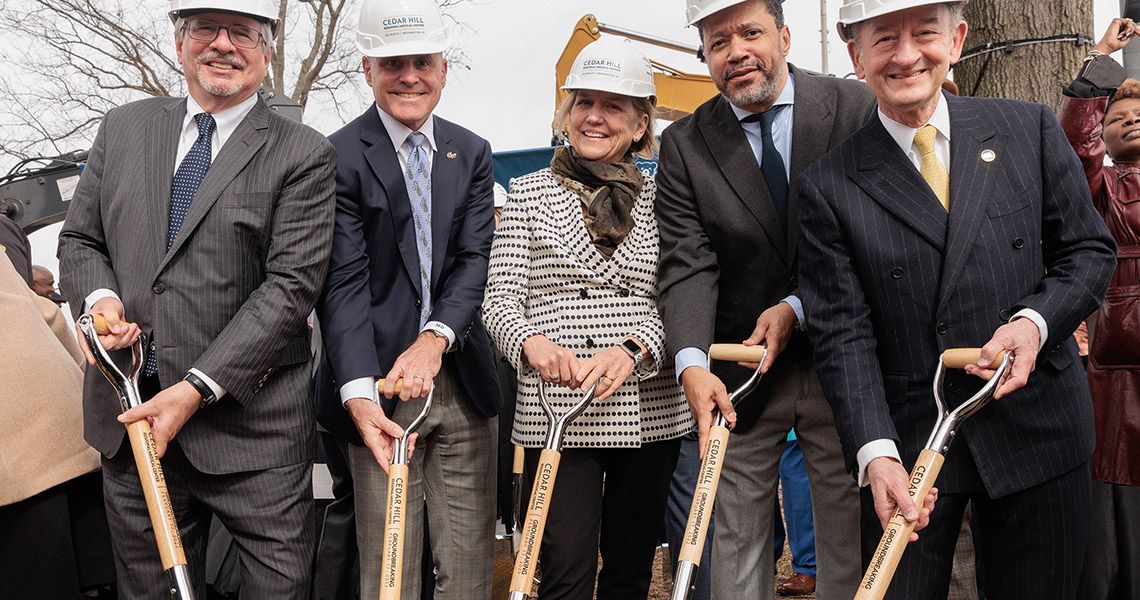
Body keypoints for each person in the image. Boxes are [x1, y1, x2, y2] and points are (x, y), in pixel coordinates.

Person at [798, 1, 1117, 598]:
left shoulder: (1028, 129)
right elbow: (842, 332)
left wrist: (1033, 323)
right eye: (884, 38)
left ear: (959, 38)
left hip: (1038, 427)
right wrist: (876, 455)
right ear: (856, 56)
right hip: (911, 443)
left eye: (924, 34)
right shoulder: (829, 185)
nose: (906, 54)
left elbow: (1088, 253)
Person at [57, 0, 336, 595]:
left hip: (252, 433)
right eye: (207, 29)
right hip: (132, 421)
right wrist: (101, 299)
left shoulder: (302, 153)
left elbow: (290, 288)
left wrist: (194, 389)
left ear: (267, 49)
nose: (223, 45)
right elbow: (81, 238)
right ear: (181, 40)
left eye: (242, 32)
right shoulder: (124, 128)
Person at [655, 1, 874, 597]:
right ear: (705, 56)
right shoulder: (684, 144)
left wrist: (799, 306)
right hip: (739, 377)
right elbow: (686, 262)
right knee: (734, 556)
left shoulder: (854, 108)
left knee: (847, 549)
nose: (737, 52)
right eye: (718, 42)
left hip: (842, 361)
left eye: (750, 33)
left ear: (783, 34)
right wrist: (693, 365)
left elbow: (870, 234)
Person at [483, 37, 692, 600]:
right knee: (564, 572)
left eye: (613, 106)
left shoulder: (669, 199)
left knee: (628, 569)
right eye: (583, 103)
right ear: (566, 112)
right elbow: (499, 299)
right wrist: (527, 340)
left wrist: (633, 348)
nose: (594, 117)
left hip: (647, 410)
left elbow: (682, 295)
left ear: (641, 123)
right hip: (558, 410)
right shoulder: (527, 194)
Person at [315, 0, 501, 596]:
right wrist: (360, 391)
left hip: (461, 380)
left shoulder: (470, 152)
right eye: (393, 63)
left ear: (445, 69)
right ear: (367, 68)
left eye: (423, 62)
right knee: (390, 573)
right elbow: (341, 282)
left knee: (468, 572)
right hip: (378, 387)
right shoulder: (335, 157)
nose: (410, 76)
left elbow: (474, 262)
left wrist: (435, 338)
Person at [1057, 18, 1140, 599]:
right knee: (1117, 513)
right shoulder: (1104, 191)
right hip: (1117, 375)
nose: (1131, 119)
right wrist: (1100, 66)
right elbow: (1073, 146)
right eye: (1118, 117)